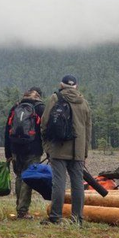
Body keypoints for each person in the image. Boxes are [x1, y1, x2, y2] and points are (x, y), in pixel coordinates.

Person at [40, 75, 93, 226]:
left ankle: (55, 217)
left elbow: (44, 123)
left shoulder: (55, 98)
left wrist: (47, 147)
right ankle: (78, 218)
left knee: (59, 183)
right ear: (76, 86)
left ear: (61, 85)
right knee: (77, 184)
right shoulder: (84, 102)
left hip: (58, 147)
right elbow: (88, 130)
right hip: (78, 150)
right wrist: (84, 152)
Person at [4, 87, 45, 219]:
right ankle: (23, 211)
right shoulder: (40, 108)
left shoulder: (15, 107)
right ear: (38, 96)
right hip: (33, 149)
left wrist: (8, 153)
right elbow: (44, 130)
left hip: (15, 148)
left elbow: (7, 130)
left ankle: (19, 207)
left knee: (19, 177)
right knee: (29, 178)